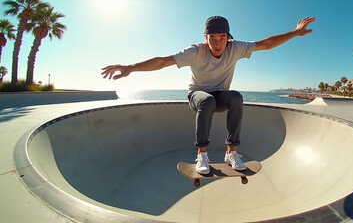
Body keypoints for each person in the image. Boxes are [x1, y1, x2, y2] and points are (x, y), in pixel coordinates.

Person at [101, 15, 315, 174]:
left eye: (222, 38)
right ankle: (201, 155)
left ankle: (231, 152)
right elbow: (163, 61)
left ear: (228, 38)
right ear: (206, 38)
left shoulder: (236, 48)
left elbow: (266, 44)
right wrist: (130, 67)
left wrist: (295, 32)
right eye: (212, 38)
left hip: (222, 96)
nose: (217, 43)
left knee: (237, 97)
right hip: (198, 96)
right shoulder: (195, 51)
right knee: (207, 100)